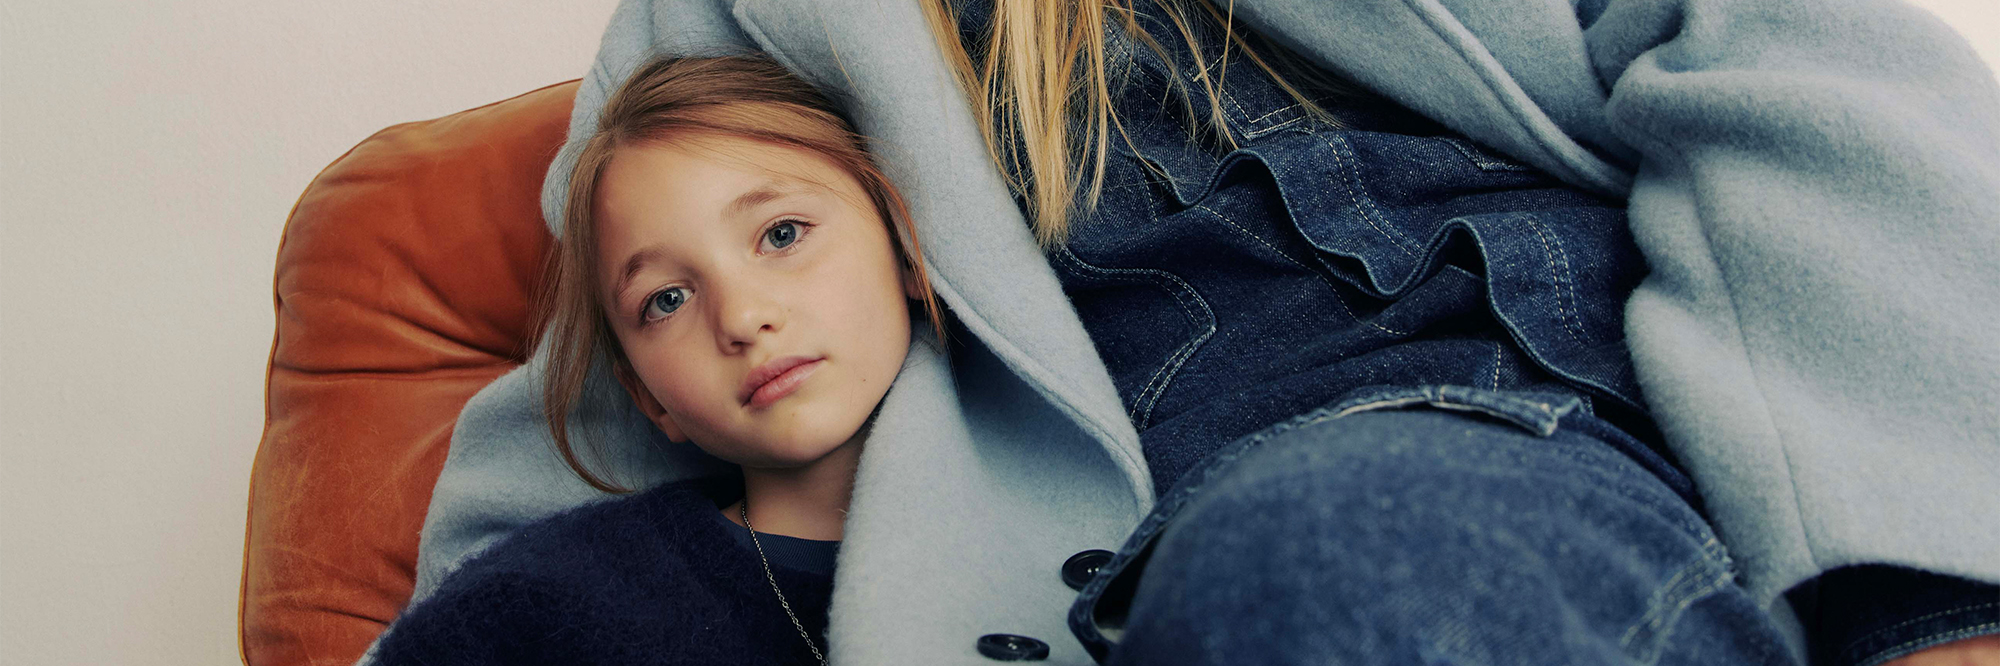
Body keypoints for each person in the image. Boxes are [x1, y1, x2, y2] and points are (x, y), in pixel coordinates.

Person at [381, 0, 2000, 665]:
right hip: (1136, 562)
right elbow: (605, 343)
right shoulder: (727, 21)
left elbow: (1806, 67)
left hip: (1551, 446)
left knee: (1343, 548)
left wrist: (1929, 603)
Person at [366, 54, 947, 665]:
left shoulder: (1018, 532)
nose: (741, 318)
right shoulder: (537, 602)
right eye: (668, 300)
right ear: (647, 397)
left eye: (782, 234)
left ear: (905, 248)